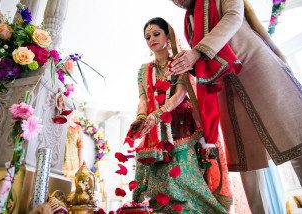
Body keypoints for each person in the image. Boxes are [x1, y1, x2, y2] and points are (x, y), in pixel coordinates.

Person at [169, 0, 302, 212]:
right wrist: (187, 61)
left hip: (255, 65)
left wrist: (196, 53)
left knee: (295, 139)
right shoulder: (190, 21)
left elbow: (233, 17)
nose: (175, 1)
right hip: (224, 84)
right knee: (246, 160)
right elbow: (200, 60)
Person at [129, 17, 227, 213]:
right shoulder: (143, 70)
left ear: (168, 35)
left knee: (184, 181)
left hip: (181, 127)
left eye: (156, 34)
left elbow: (181, 94)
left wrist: (158, 114)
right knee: (159, 186)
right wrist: (141, 118)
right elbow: (143, 100)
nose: (151, 39)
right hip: (153, 131)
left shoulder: (181, 61)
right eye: (147, 37)